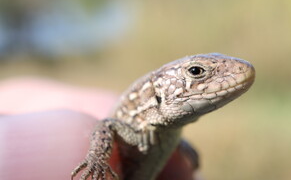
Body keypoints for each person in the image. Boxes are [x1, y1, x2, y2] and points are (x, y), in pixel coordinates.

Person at [0, 77, 199, 180]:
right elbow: (107, 125)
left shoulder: (166, 131)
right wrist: (97, 157)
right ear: (159, 94)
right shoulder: (135, 132)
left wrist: (180, 144)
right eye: (197, 72)